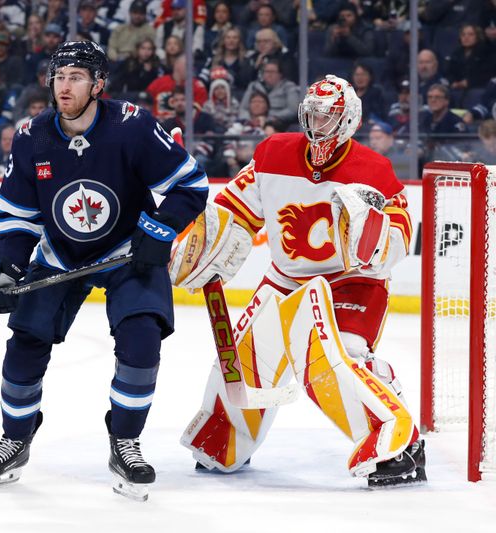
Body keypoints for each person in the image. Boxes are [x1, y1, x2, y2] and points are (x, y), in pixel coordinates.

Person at [0, 41, 208, 501]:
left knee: (141, 339)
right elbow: (17, 216)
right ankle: (15, 438)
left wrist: (158, 233)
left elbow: (189, 185)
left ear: (98, 85)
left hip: (126, 250)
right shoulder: (30, 137)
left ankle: (125, 442)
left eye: (77, 76)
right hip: (61, 253)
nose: (65, 85)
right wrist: (6, 269)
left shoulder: (133, 127)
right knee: (25, 341)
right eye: (59, 76)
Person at [171, 74, 426, 488]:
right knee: (241, 360)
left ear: (348, 121)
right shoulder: (274, 153)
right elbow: (235, 211)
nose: (317, 125)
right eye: (313, 115)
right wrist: (202, 239)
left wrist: (374, 240)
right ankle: (227, 437)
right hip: (284, 280)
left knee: (338, 358)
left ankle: (399, 444)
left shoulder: (372, 168)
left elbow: (397, 236)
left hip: (350, 284)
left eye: (328, 117)